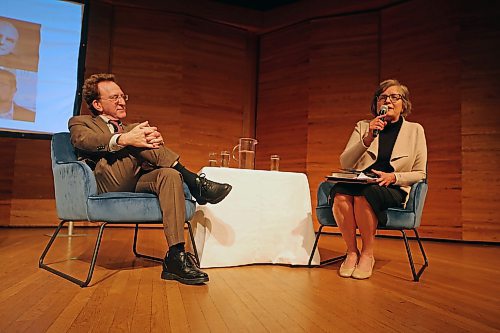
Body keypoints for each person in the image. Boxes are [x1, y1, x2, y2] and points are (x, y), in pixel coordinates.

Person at [69, 73, 232, 285]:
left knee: (170, 174)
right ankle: (195, 183)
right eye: (114, 97)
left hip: (136, 179)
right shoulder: (81, 122)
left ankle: (176, 255)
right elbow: (84, 141)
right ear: (98, 105)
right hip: (108, 180)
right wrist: (126, 139)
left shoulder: (131, 128)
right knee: (139, 138)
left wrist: (153, 144)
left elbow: (143, 153)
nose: (122, 101)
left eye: (123, 96)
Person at [331, 79, 427, 279]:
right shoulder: (363, 126)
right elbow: (345, 162)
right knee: (340, 192)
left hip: (391, 185)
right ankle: (351, 251)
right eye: (383, 97)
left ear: (404, 104)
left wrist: (394, 177)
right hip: (360, 180)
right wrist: (367, 138)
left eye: (395, 97)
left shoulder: (415, 130)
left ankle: (367, 254)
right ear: (376, 104)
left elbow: (420, 173)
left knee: (365, 194)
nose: (388, 101)